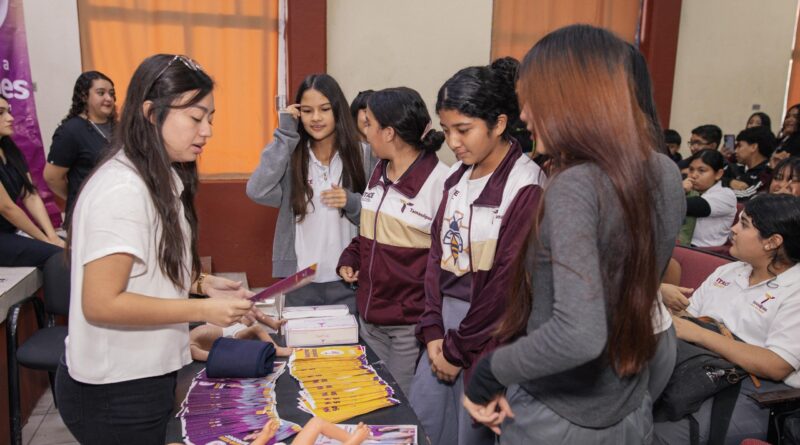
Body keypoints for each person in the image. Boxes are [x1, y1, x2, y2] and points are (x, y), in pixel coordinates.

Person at [462, 25, 685, 444]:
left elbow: (578, 334)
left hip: (557, 415)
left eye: (530, 100)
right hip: (628, 405)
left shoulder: (577, 185)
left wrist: (491, 371)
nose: (525, 115)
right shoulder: (664, 171)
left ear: (570, 98)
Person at [55, 54, 255, 444]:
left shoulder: (158, 176)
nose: (208, 131)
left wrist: (202, 284)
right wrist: (202, 310)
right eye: (196, 118)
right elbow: (101, 302)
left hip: (143, 377)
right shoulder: (123, 189)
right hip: (116, 391)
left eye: (210, 118)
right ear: (151, 113)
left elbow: (146, 264)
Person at [411, 57, 544, 445]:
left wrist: (455, 350)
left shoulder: (526, 187)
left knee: (470, 433)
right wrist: (434, 329)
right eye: (446, 129)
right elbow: (435, 258)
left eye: (463, 130)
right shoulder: (456, 179)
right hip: (445, 327)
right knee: (425, 423)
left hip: (490, 332)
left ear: (499, 124)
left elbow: (505, 286)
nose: (452, 142)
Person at [655, 193, 800, 444]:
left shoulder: (795, 289)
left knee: (654, 434)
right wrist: (661, 297)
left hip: (755, 392)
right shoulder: (730, 270)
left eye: (743, 224)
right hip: (696, 369)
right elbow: (690, 320)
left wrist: (701, 333)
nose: (733, 229)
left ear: (772, 242)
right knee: (625, 409)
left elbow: (777, 365)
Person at [336, 87, 450, 396]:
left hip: (407, 328)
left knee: (401, 406)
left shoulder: (441, 184)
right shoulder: (379, 170)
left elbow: (446, 265)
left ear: (388, 132)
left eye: (369, 123)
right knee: (374, 402)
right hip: (370, 318)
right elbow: (371, 232)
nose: (365, 131)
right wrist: (351, 257)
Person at [246, 74, 370, 314]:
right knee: (300, 349)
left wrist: (351, 202)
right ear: (297, 114)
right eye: (307, 110)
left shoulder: (363, 155)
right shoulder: (291, 157)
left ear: (338, 110)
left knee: (346, 350)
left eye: (324, 109)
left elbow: (380, 218)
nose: (316, 118)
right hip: (299, 281)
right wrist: (285, 133)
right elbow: (257, 190)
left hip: (348, 279)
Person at [0, 95, 65, 267]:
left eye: (9, 111)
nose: (10, 118)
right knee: (58, 255)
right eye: (1, 113)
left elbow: (30, 194)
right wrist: (44, 240)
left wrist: (52, 236)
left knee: (66, 246)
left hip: (10, 232)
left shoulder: (10, 148)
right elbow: (7, 209)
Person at [44, 71, 116, 220]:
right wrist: (78, 196)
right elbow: (52, 177)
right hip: (87, 216)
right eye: (101, 93)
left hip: (115, 210)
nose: (108, 98)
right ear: (84, 96)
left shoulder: (119, 127)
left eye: (111, 93)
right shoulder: (70, 131)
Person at [683, 149, 738, 247]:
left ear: (718, 174)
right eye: (691, 169)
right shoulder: (689, 190)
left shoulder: (726, 195)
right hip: (683, 246)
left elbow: (689, 206)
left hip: (706, 251)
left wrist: (679, 191)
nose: (694, 175)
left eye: (701, 170)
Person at [729, 126, 776, 200]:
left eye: (739, 146)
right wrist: (729, 182)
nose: (735, 151)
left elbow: (746, 197)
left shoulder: (767, 172)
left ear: (753, 147)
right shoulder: (740, 168)